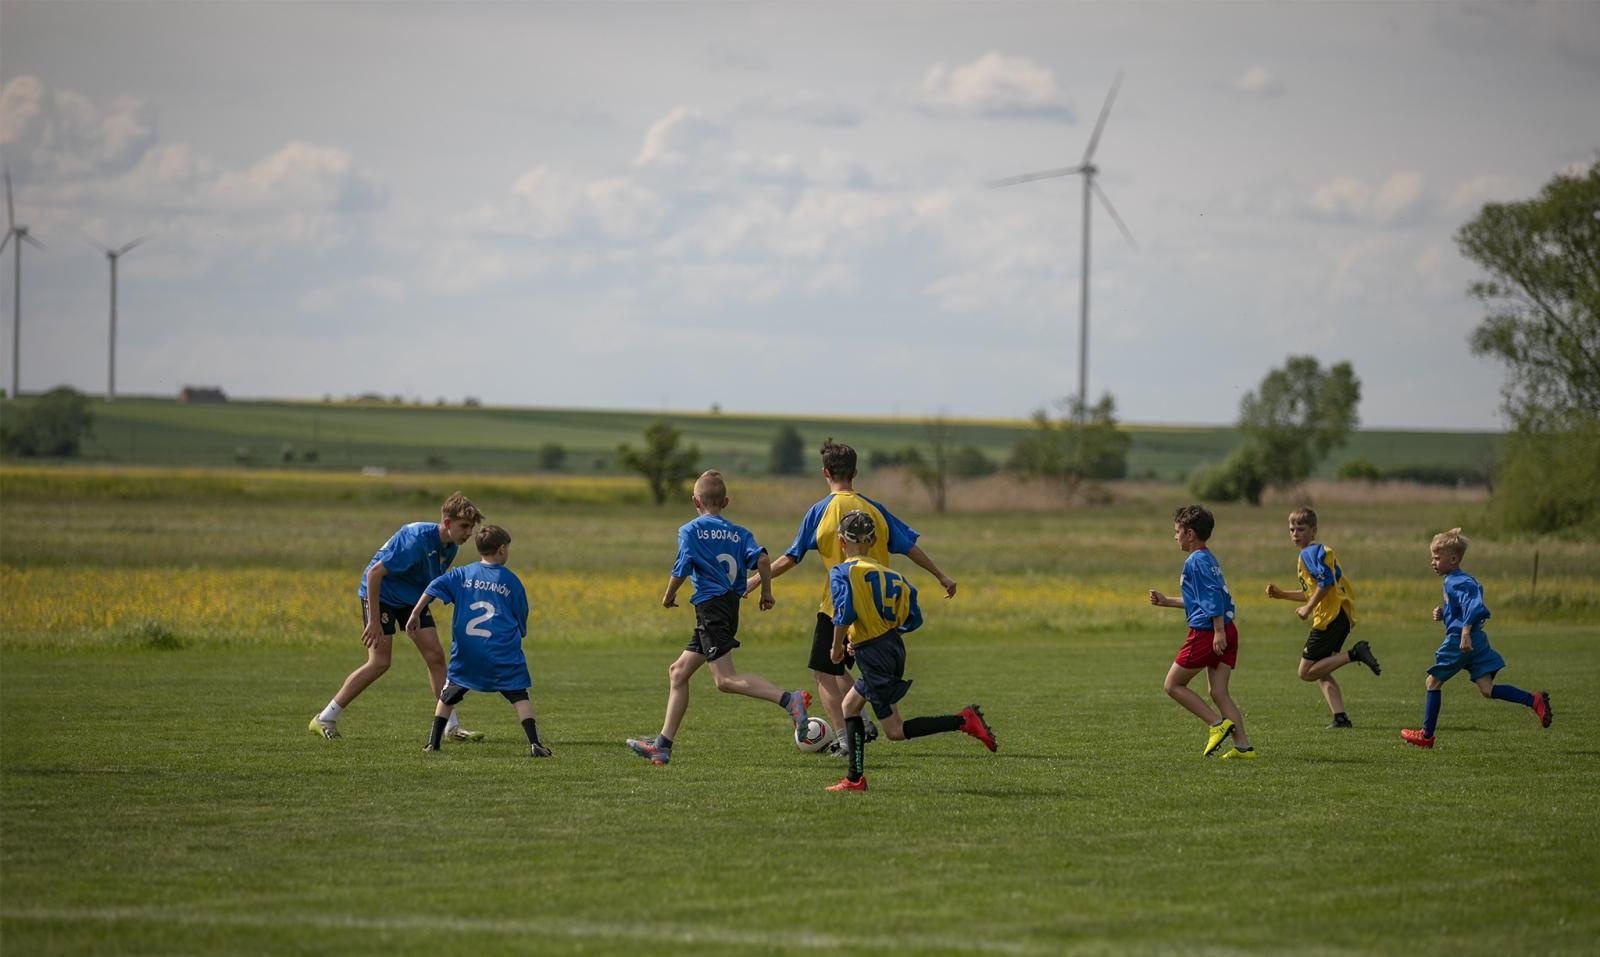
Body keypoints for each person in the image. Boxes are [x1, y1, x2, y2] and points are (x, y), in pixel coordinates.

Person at [753, 438, 956, 755]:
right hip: (875, 611)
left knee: (824, 671)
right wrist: (940, 575)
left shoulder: (821, 511)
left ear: (824, 472)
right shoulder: (874, 510)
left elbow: (791, 557)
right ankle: (861, 718)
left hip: (838, 604)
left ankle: (846, 737)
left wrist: (756, 580)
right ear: (855, 472)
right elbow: (908, 546)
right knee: (844, 669)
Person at [625, 470, 811, 766]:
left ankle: (790, 701)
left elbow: (682, 566)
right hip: (727, 607)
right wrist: (766, 593)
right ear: (725, 501)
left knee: (725, 680)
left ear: (694, 500)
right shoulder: (739, 533)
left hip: (710, 608)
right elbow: (763, 559)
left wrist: (668, 595)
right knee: (678, 672)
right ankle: (662, 745)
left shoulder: (690, 530)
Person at [825, 510, 995, 793]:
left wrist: (837, 648)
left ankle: (963, 720)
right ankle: (855, 778)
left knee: (894, 731)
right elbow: (913, 618)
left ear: (842, 542)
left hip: (875, 653)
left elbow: (843, 612)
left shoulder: (843, 571)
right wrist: (876, 635)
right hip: (890, 648)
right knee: (849, 707)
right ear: (875, 539)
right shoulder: (895, 576)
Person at [309, 491, 485, 741]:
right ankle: (325, 717)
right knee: (380, 662)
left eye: (471, 528)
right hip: (381, 596)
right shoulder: (416, 539)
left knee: (435, 656)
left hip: (411, 599)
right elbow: (374, 574)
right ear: (447, 523)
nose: (469, 533)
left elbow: (430, 582)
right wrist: (373, 619)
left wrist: (415, 616)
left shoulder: (450, 547)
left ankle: (450, 727)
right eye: (464, 526)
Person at [407, 524, 552, 757]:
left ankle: (433, 743)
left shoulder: (462, 574)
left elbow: (433, 587)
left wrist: (415, 613)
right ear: (502, 549)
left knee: (448, 694)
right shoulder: (511, 581)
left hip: (467, 653)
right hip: (501, 652)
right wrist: (521, 632)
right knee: (519, 695)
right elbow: (521, 613)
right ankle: (535, 744)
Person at [1401, 528, 1552, 749]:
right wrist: (1444, 613)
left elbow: (1475, 604)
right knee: (1487, 689)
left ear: (1452, 559)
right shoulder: (1455, 579)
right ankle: (1534, 700)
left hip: (1461, 641)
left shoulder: (1456, 581)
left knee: (1432, 682)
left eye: (1436, 557)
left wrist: (1463, 633)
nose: (1433, 562)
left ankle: (1426, 736)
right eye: (1432, 557)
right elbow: (1465, 606)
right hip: (1477, 639)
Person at [1148, 504, 1257, 760]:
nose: (1175, 536)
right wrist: (1167, 601)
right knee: (1218, 692)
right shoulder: (1208, 557)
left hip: (1208, 632)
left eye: (1177, 531)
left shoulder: (1194, 561)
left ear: (1190, 533)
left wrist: (1217, 630)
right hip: (1227, 628)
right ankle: (1243, 746)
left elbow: (1211, 598)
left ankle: (1216, 724)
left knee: (1173, 685)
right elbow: (1202, 598)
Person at [1265, 507, 1382, 728]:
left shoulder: (1308, 553)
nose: (1295, 534)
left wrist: (1308, 609)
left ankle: (1355, 653)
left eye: (1301, 529)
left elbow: (1325, 583)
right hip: (1339, 615)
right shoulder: (1317, 553)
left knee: (1306, 672)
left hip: (1330, 617)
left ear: (1313, 531)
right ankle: (1340, 718)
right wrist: (1282, 595)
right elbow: (1315, 590)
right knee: (1321, 670)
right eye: (1292, 529)